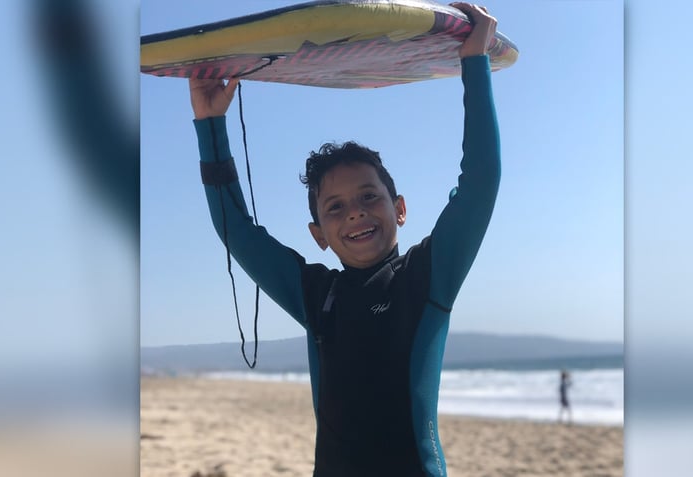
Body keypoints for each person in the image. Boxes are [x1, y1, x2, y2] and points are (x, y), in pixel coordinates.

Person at [188, 3, 500, 476]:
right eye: (334, 207)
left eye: (369, 197)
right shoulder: (318, 296)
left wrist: (474, 63)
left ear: (399, 208)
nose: (354, 211)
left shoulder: (426, 276)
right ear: (318, 235)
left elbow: (480, 180)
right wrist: (211, 125)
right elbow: (238, 231)